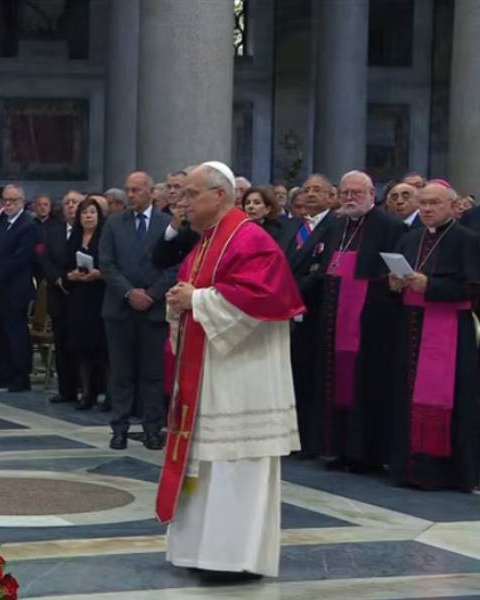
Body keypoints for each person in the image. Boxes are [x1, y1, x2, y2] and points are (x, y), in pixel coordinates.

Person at [158, 161, 304, 580]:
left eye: (190, 194)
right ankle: (199, 551)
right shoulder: (207, 240)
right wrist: (182, 299)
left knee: (234, 466)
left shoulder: (249, 238)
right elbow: (196, 291)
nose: (181, 203)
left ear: (218, 196)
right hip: (211, 374)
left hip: (242, 378)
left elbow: (261, 297)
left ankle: (232, 559)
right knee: (205, 466)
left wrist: (197, 299)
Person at [388, 183, 479, 492]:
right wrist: (396, 283)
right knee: (407, 395)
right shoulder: (410, 238)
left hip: (450, 329)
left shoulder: (467, 240)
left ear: (453, 207)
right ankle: (409, 469)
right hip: (410, 327)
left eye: (434, 203)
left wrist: (432, 286)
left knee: (451, 398)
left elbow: (473, 288)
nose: (427, 209)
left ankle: (444, 473)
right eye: (423, 203)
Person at [318, 170, 407, 472]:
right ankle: (340, 449)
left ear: (372, 194)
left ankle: (367, 454)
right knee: (337, 382)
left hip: (371, 323)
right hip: (335, 318)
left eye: (357, 192)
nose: (350, 198)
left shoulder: (390, 226)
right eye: (345, 192)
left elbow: (397, 273)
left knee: (366, 384)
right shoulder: (337, 225)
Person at [100, 171, 177, 450]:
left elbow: (174, 266)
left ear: (150, 192)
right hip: (119, 309)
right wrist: (129, 292)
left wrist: (151, 294)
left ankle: (152, 429)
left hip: (153, 311)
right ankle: (119, 428)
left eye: (136, 190)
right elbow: (107, 263)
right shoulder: (113, 224)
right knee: (121, 373)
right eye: (128, 190)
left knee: (152, 374)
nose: (130, 195)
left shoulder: (167, 224)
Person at [283, 174, 338, 459]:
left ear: (332, 197)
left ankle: (309, 440)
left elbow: (321, 270)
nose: (311, 195)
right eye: (307, 190)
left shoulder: (334, 226)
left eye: (318, 190)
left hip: (314, 311)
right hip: (290, 310)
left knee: (309, 375)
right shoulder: (298, 227)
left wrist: (290, 294)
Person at [0, 184, 40, 392]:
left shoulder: (28, 224)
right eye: (5, 200)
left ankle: (20, 375)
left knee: (16, 333)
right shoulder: (1, 221)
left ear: (22, 202)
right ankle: (3, 373)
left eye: (13, 201)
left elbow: (19, 258)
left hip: (16, 286)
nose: (8, 204)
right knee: (0, 331)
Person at [64, 197, 108, 410]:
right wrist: (70, 275)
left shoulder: (105, 238)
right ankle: (86, 392)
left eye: (92, 212)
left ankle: (105, 393)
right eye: (84, 213)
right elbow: (64, 265)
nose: (88, 216)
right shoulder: (74, 238)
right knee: (81, 348)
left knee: (100, 347)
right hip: (78, 297)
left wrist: (98, 274)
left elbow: (111, 266)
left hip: (99, 296)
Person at [40, 190, 77, 405]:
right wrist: (57, 279)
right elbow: (45, 259)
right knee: (61, 342)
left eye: (75, 202)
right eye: (67, 202)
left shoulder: (89, 231)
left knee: (79, 343)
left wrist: (70, 278)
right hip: (58, 292)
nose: (70, 206)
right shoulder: (54, 230)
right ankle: (65, 389)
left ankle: (85, 387)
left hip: (79, 293)